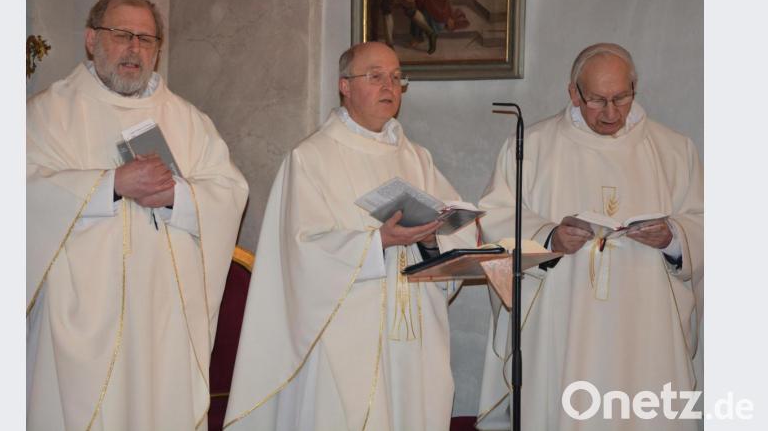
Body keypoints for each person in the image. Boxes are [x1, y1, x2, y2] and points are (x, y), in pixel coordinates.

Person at [224, 41, 476, 431]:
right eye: (375, 77)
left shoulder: (416, 157)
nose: (389, 87)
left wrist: (429, 239)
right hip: (344, 342)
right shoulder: (311, 158)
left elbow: (458, 237)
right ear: (344, 85)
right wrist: (378, 243)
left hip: (413, 340)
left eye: (396, 77)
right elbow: (299, 251)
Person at [26, 0, 249, 431]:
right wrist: (109, 185)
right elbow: (16, 192)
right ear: (91, 40)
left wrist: (175, 197)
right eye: (122, 35)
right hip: (79, 319)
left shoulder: (188, 120)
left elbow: (229, 191)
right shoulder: (49, 114)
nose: (135, 49)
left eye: (147, 39)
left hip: (162, 316)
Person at [475, 43, 703, 431]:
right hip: (563, 321)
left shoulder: (674, 150)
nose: (611, 112)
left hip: (648, 326)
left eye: (621, 98)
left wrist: (673, 238)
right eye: (597, 100)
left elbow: (704, 221)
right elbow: (497, 217)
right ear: (573, 93)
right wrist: (549, 238)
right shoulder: (531, 147)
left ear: (634, 89)